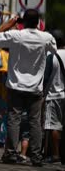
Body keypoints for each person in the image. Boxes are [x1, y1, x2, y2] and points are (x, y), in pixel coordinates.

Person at [0, 9, 57, 166]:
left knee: (13, 120)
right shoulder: (46, 38)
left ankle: (10, 153)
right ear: (37, 22)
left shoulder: (16, 35)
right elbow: (53, 50)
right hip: (36, 87)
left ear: (22, 22)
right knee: (35, 122)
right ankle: (36, 156)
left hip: (16, 85)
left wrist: (9, 24)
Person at [43, 29, 65, 163]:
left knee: (54, 126)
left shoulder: (52, 57)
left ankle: (55, 154)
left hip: (54, 95)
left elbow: (46, 78)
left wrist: (42, 95)